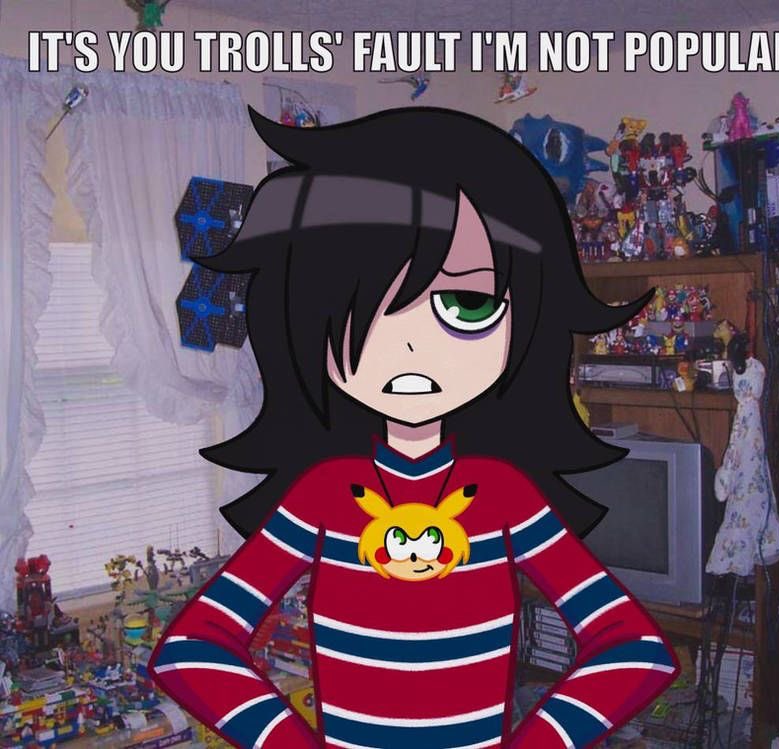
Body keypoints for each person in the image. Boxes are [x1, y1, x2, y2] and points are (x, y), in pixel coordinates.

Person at [149, 107, 679, 748]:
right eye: (370, 313)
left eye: (464, 305)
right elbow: (193, 650)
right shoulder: (322, 495)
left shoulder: (505, 495)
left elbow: (635, 650)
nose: (409, 348)